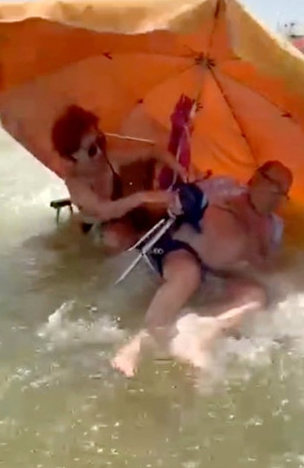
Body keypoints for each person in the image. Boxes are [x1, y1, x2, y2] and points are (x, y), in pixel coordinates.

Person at [111, 162, 292, 377]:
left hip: (221, 274)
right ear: (257, 178)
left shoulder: (274, 226)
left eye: (283, 192)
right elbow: (178, 199)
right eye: (274, 186)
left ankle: (200, 331)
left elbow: (267, 268)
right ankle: (138, 343)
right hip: (182, 251)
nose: (277, 196)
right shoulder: (226, 186)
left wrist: (255, 253)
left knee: (255, 297)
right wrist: (181, 202)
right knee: (188, 274)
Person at [52, 105, 188, 251]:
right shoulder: (75, 183)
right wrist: (143, 197)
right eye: (91, 150)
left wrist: (180, 169)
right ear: (72, 157)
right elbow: (104, 211)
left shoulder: (110, 157)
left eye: (100, 141)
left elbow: (152, 151)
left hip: (125, 220)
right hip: (97, 231)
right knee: (114, 238)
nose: (99, 152)